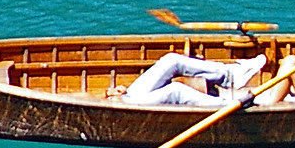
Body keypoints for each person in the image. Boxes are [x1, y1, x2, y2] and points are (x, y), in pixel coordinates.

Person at [116, 51, 274, 108]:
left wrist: (110, 93)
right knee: (175, 91)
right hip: (123, 105)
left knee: (172, 60)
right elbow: (89, 99)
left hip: (126, 96)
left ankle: (230, 76)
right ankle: (231, 104)